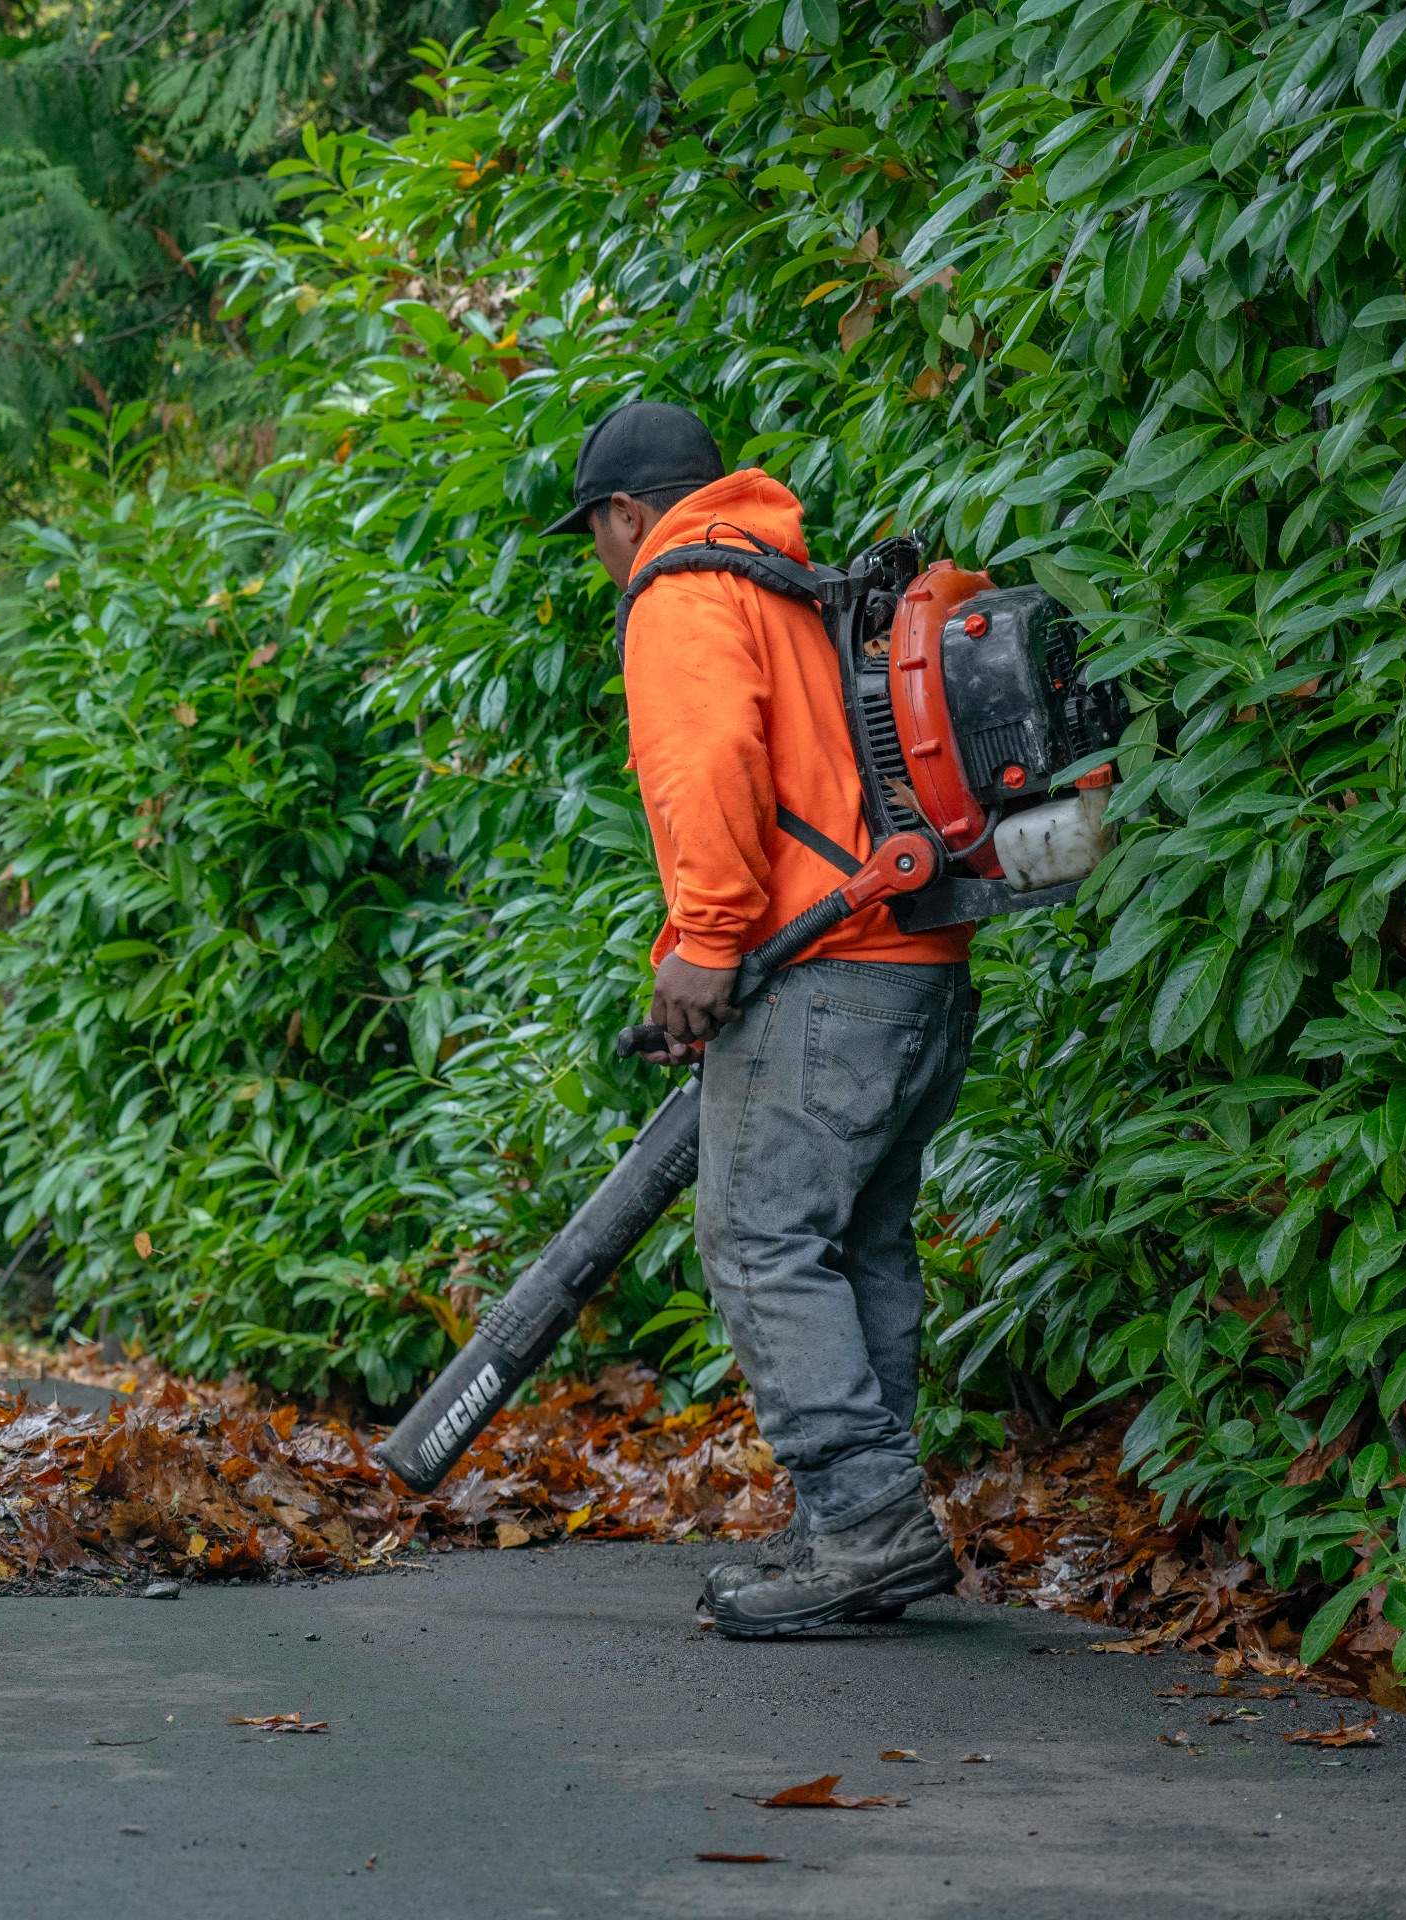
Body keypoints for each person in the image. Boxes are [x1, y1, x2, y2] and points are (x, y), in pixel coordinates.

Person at [543, 401, 970, 1638]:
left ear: (629, 513)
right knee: (861, 1246)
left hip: (825, 969)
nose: (608, 558)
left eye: (599, 535)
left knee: (761, 1242)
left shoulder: (681, 588)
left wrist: (709, 944)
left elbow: (710, 765)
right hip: (915, 959)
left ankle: (867, 1522)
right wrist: (706, 951)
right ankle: (863, 1522)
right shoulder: (785, 579)